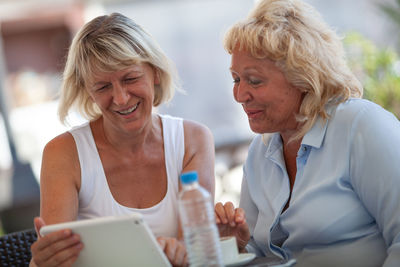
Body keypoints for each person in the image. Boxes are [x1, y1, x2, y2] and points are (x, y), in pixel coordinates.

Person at [214, 0, 400, 266]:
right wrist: (239, 244)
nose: (239, 95)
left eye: (254, 80)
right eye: (236, 79)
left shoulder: (362, 126)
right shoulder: (260, 152)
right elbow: (262, 254)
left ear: (302, 76)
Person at [30, 12, 215, 267]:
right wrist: (42, 262)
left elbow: (199, 252)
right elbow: (52, 260)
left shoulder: (193, 141)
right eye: (103, 87)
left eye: (130, 79)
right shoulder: (64, 153)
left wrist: (182, 252)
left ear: (155, 73)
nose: (121, 99)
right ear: (88, 91)